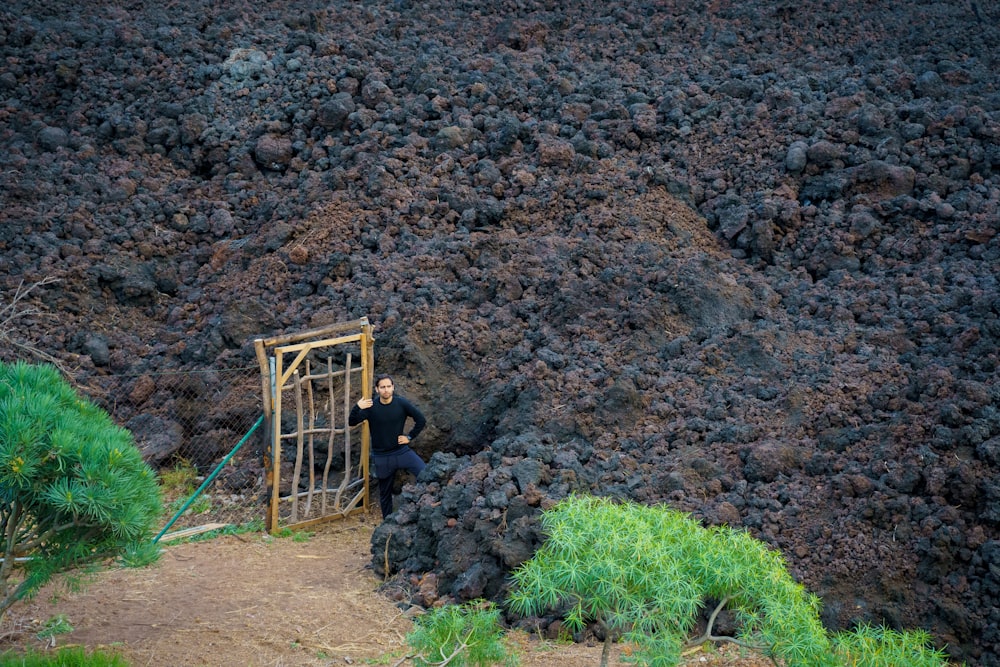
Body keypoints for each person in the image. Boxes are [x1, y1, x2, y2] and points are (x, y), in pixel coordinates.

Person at [348, 374, 427, 520]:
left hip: (402, 452)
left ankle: (425, 511)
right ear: (377, 389)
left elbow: (421, 419)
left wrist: (409, 437)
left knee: (426, 474)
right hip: (382, 456)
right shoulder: (371, 407)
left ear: (393, 387)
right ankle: (388, 524)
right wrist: (357, 407)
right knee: (384, 494)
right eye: (382, 387)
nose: (386, 390)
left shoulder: (401, 403)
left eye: (389, 387)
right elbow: (351, 422)